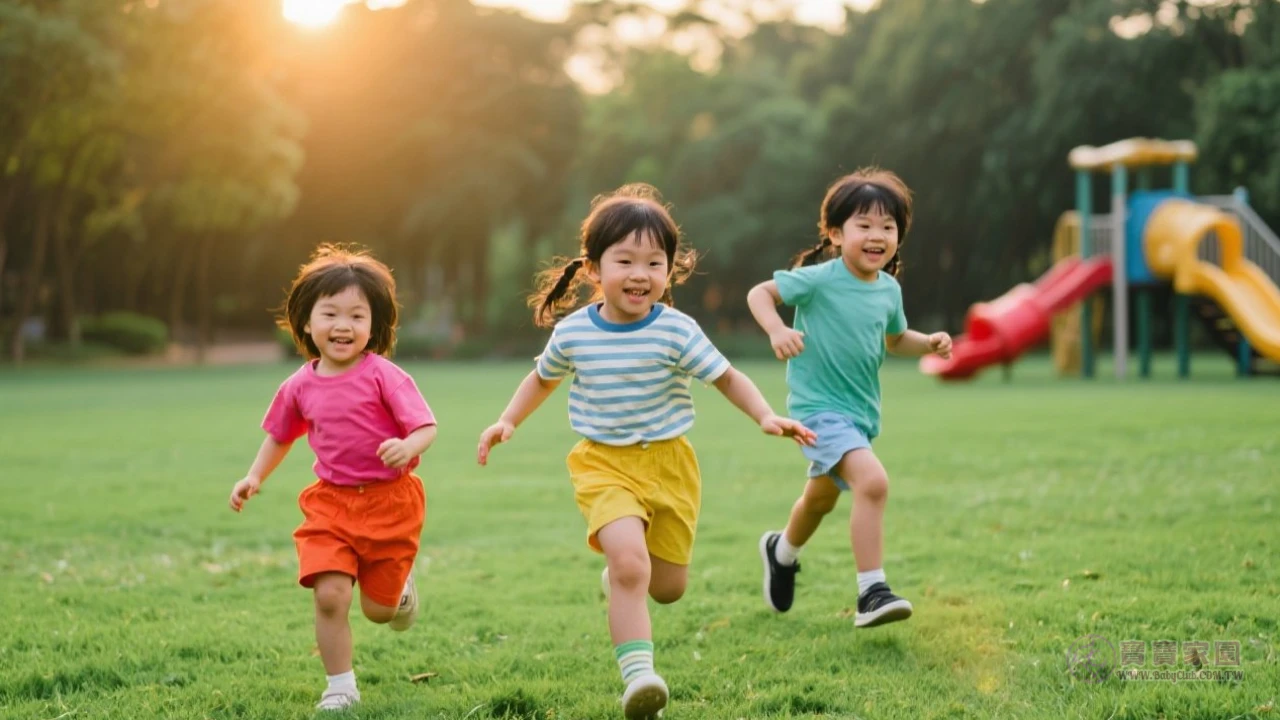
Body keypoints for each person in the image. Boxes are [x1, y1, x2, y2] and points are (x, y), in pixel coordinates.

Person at [476, 184, 815, 719]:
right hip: (603, 464)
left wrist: (766, 415)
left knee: (667, 588)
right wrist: (506, 420)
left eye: (655, 262)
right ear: (594, 269)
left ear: (670, 269)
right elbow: (541, 380)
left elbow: (727, 378)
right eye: (625, 260)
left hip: (670, 464)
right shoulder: (574, 333)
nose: (641, 273)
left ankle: (621, 576)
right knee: (633, 566)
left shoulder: (677, 330)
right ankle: (639, 677)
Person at [228, 245, 438, 711]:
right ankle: (340, 685)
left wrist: (409, 446)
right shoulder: (299, 385)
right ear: (306, 322)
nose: (343, 326)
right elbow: (281, 436)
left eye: (357, 316)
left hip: (391, 501)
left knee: (378, 612)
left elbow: (426, 426)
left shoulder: (385, 376)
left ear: (372, 326)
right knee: (330, 595)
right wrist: (253, 475)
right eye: (331, 314)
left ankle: (398, 590)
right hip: (330, 503)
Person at [747, 168, 951, 628]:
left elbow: (896, 340)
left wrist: (930, 343)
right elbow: (760, 293)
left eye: (888, 226)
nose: (877, 235)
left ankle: (781, 552)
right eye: (865, 225)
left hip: (858, 417)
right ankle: (871, 591)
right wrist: (778, 329)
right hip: (817, 410)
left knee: (820, 500)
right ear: (836, 233)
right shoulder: (819, 279)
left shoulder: (888, 290)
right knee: (872, 483)